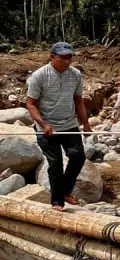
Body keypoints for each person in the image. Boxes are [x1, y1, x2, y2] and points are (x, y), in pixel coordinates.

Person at [26, 42, 91, 211]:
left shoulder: (75, 75)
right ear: (52, 57)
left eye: (69, 57)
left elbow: (78, 101)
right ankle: (57, 202)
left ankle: (65, 191)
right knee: (55, 163)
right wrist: (43, 124)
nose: (67, 61)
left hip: (69, 124)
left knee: (78, 157)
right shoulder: (39, 76)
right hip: (47, 128)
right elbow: (31, 104)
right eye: (62, 58)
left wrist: (85, 123)